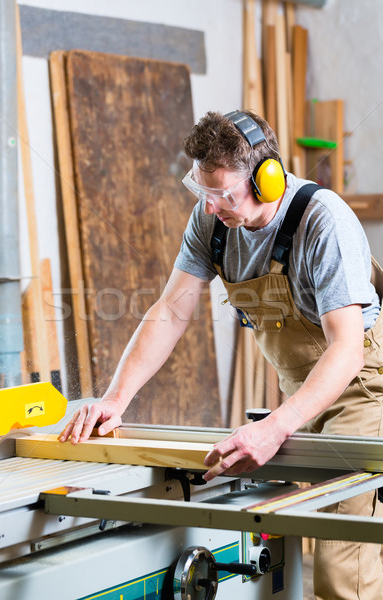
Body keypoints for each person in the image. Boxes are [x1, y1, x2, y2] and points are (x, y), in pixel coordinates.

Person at [59, 109, 383, 599]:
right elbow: (170, 309)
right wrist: (115, 399)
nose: (210, 208)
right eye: (202, 192)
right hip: (301, 391)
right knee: (282, 541)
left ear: (267, 179)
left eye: (222, 195)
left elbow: (345, 350)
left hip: (360, 391)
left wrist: (276, 426)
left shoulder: (323, 222)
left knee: (341, 561)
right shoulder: (211, 223)